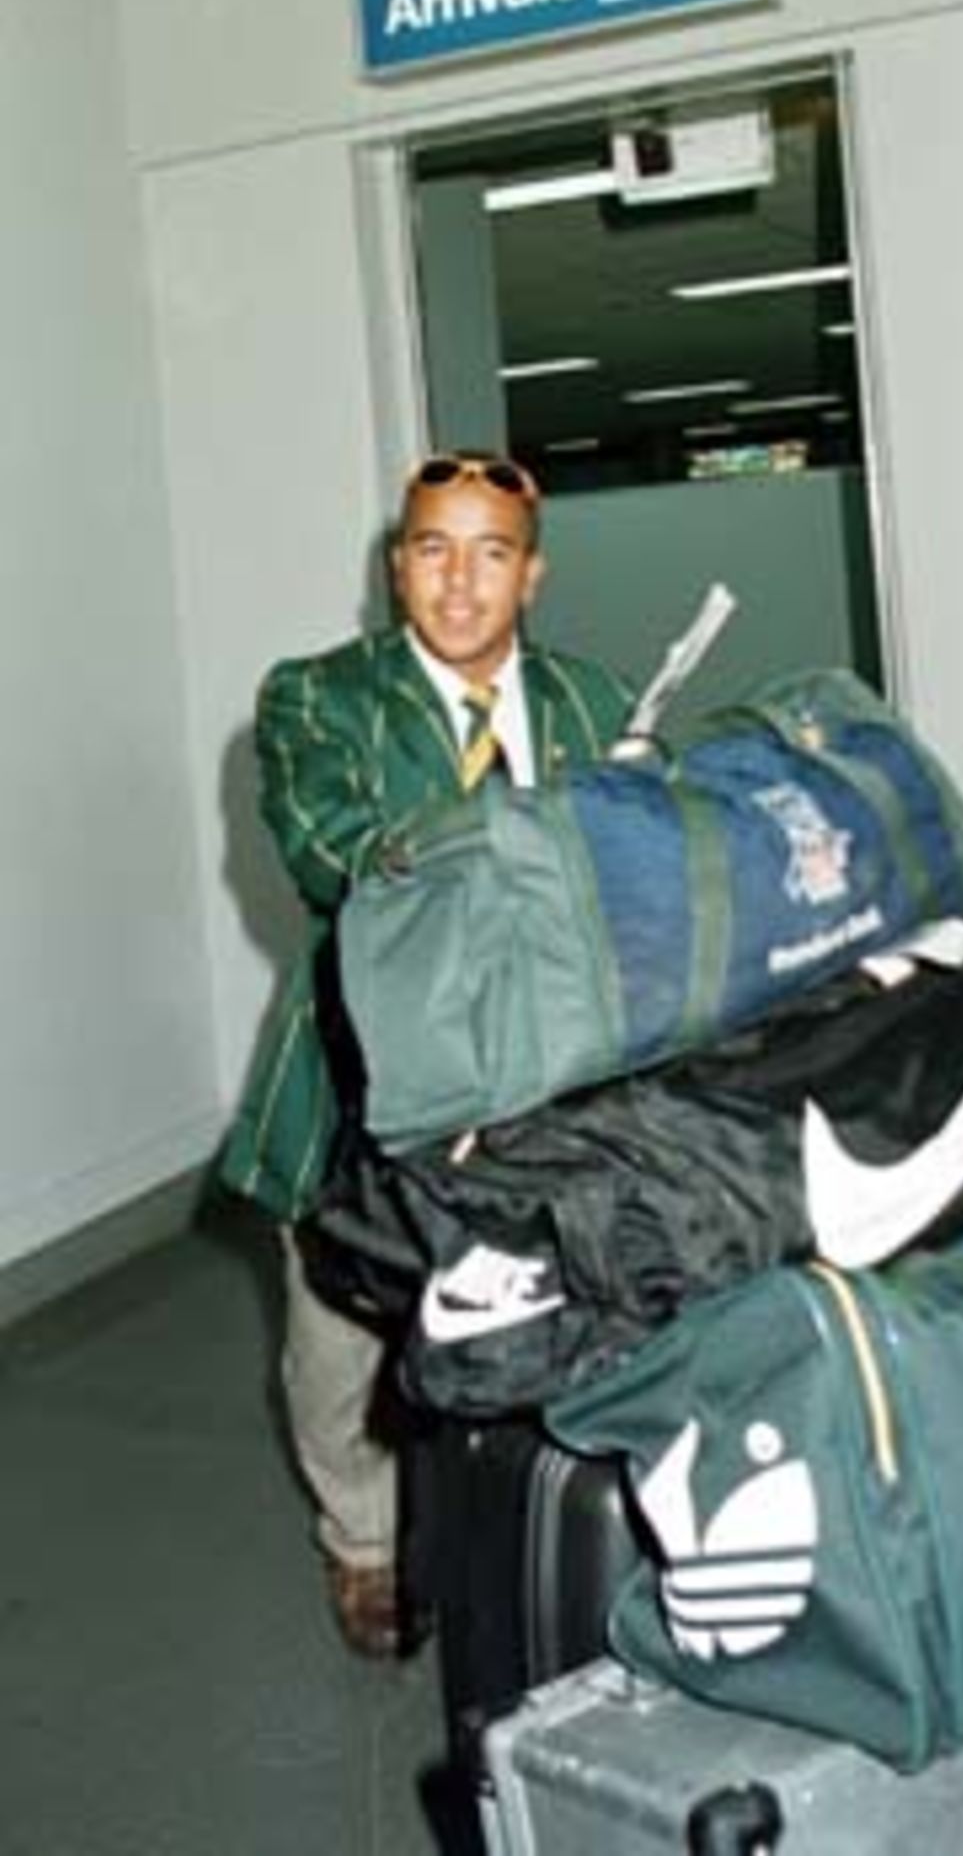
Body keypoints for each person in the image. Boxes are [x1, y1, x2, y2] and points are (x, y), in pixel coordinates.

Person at [221, 451, 634, 1657]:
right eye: (432, 550)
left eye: (490, 553)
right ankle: (362, 1540)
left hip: (545, 1084)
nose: (459, 584)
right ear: (397, 565)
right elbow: (336, 857)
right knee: (337, 1344)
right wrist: (528, 848)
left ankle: (546, 1534)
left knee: (542, 1314)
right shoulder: (317, 699)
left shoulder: (597, 704)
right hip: (359, 1084)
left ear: (531, 574)